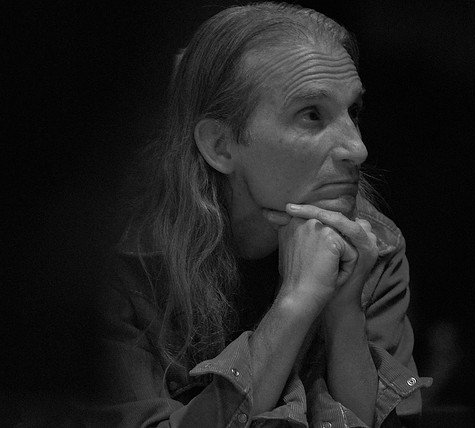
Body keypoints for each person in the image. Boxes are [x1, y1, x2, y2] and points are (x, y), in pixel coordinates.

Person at [79, 2, 430, 426]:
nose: (358, 148)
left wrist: (344, 313)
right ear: (220, 146)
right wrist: (295, 304)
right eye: (312, 114)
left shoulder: (373, 246)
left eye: (352, 112)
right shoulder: (127, 265)